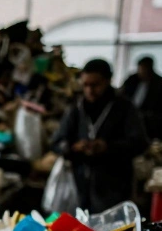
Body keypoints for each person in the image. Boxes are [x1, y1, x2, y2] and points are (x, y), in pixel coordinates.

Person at [52, 59, 149, 214]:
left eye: (95, 85)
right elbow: (57, 142)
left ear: (108, 81)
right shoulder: (76, 108)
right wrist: (73, 147)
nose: (90, 90)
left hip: (114, 186)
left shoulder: (124, 108)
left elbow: (140, 143)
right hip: (80, 185)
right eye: (85, 85)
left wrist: (108, 147)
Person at [119, 56, 162, 140]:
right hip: (130, 113)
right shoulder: (131, 80)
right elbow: (122, 97)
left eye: (145, 69)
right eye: (140, 69)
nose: (142, 72)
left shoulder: (160, 84)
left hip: (151, 118)